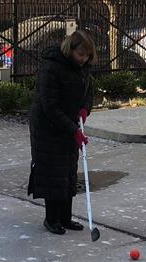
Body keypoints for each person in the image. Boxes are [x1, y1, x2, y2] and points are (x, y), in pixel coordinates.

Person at [27, 29, 95, 234]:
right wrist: (73, 130)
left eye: (87, 55)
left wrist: (84, 109)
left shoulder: (82, 68)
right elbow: (50, 106)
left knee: (68, 170)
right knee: (53, 171)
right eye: (81, 54)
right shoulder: (51, 68)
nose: (84, 59)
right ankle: (52, 219)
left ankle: (65, 217)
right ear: (70, 49)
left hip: (68, 122)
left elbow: (88, 91)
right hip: (48, 126)